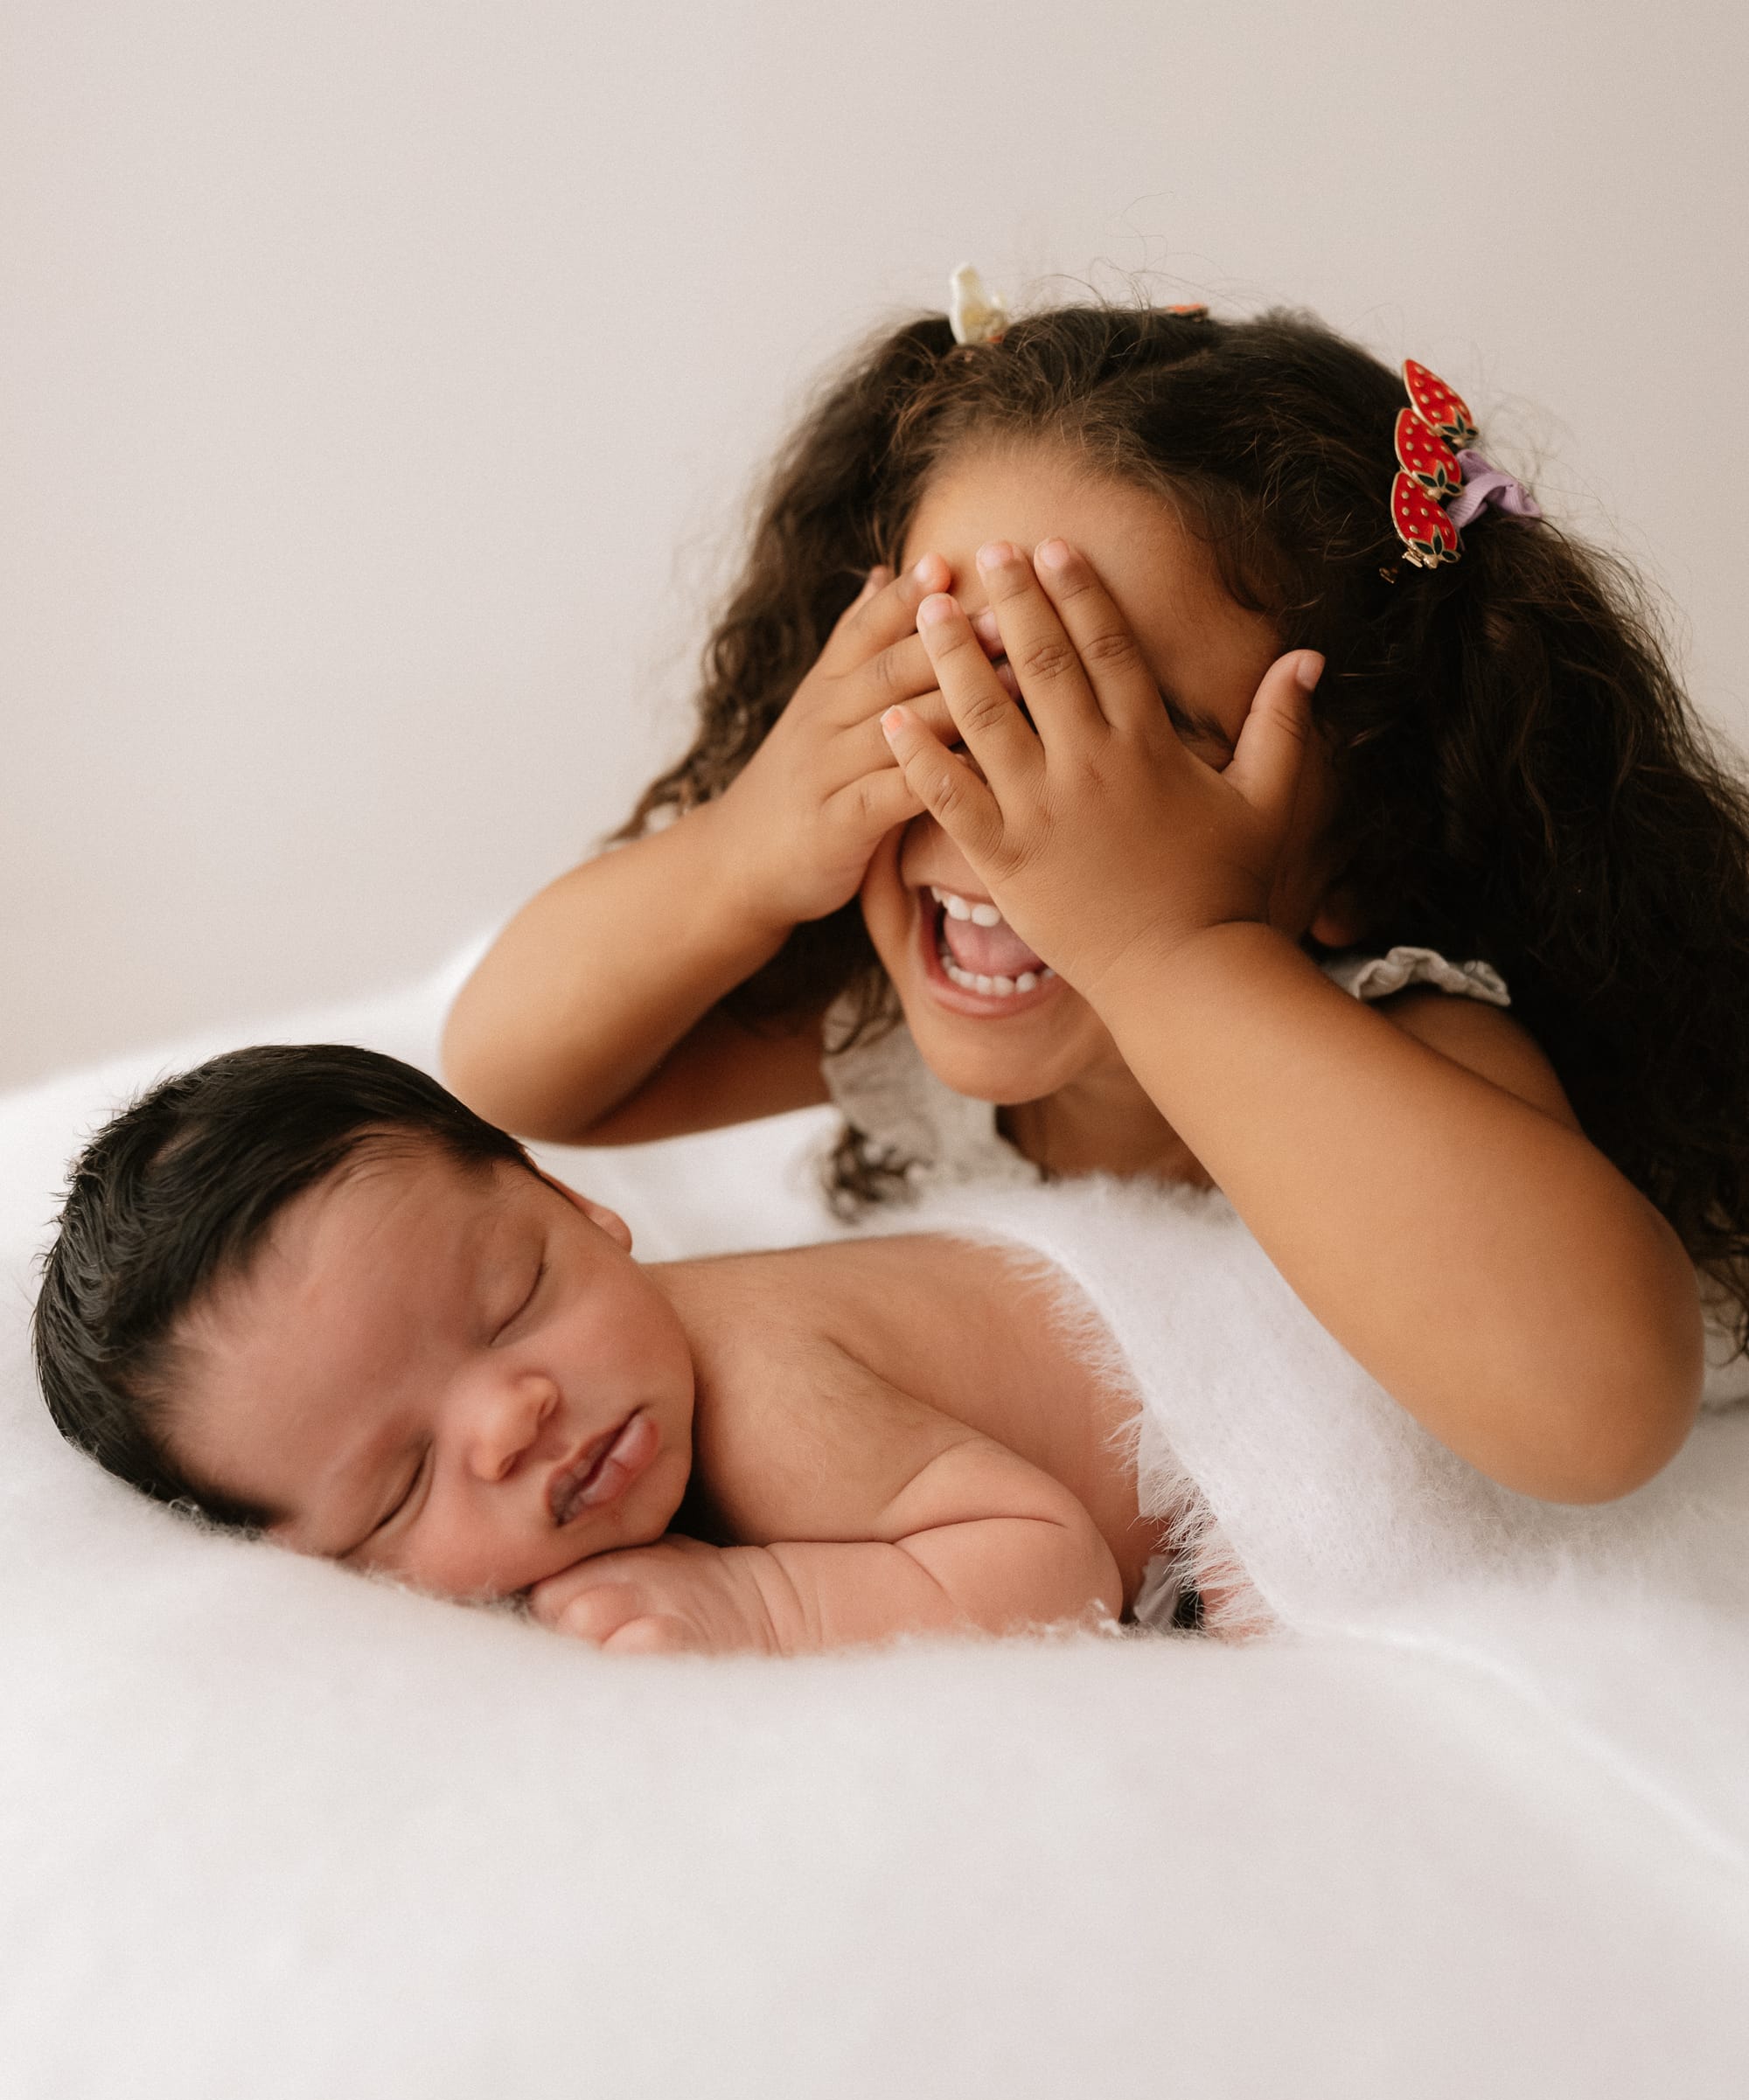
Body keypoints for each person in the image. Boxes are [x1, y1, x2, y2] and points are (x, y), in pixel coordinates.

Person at [443, 293, 1749, 1505]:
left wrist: (1170, 950)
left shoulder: (1403, 1035)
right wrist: (747, 843)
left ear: (1362, 848)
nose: (989, 793)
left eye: (1111, 735)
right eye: (939, 687)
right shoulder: (909, 1025)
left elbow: (1602, 1414)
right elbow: (512, 1076)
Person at [31, 1047, 1185, 1651]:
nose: (511, 1417)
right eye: (401, 1483)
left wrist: (768, 1605)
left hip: (1214, 1365)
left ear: (580, 1205)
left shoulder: (765, 1397)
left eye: (515, 1300)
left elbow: (1058, 1561)